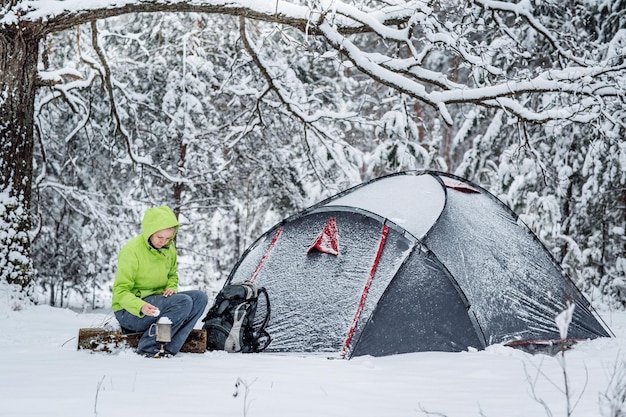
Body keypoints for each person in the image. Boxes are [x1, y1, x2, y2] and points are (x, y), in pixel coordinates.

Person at [112, 205, 208, 357]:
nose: (163, 242)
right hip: (130, 312)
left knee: (199, 298)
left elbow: (172, 275)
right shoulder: (132, 251)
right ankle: (149, 348)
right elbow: (120, 291)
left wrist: (171, 287)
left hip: (157, 303)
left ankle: (169, 348)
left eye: (168, 238)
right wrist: (140, 306)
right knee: (183, 302)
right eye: (159, 237)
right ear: (150, 232)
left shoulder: (168, 249)